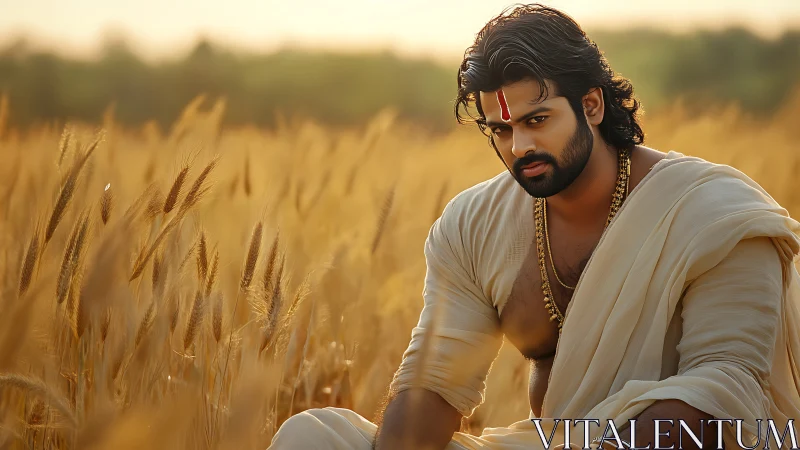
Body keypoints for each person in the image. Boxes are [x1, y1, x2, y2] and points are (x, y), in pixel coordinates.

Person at [270, 4, 800, 449]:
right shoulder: (474, 225)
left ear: (591, 105)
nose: (518, 147)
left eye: (536, 120)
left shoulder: (715, 214)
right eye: (500, 129)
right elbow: (433, 383)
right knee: (316, 436)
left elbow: (725, 394)